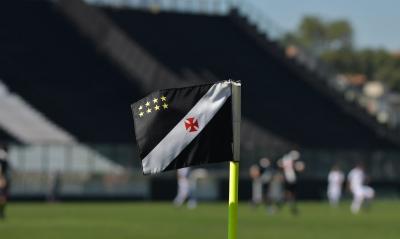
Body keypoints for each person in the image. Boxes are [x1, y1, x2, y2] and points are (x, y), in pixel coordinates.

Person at [279, 150, 304, 215]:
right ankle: (288, 206)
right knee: (289, 194)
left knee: (289, 194)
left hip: (289, 178)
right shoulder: (290, 160)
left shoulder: (285, 159)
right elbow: (299, 168)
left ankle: (291, 207)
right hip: (290, 178)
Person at [0, 143, 10, 219]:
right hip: (1, 178)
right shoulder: (3, 156)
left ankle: (2, 213)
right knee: (2, 196)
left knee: (2, 196)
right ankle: (2, 213)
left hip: (2, 178)